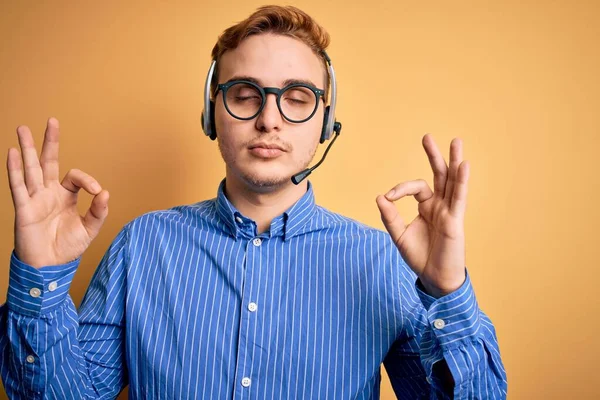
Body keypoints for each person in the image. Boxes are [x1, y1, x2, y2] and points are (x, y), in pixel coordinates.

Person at [0, 5, 507, 399]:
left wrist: (447, 291)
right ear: (210, 112)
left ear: (326, 122)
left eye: (297, 97)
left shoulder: (381, 261)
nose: (269, 119)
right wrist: (40, 278)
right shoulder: (143, 245)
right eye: (245, 94)